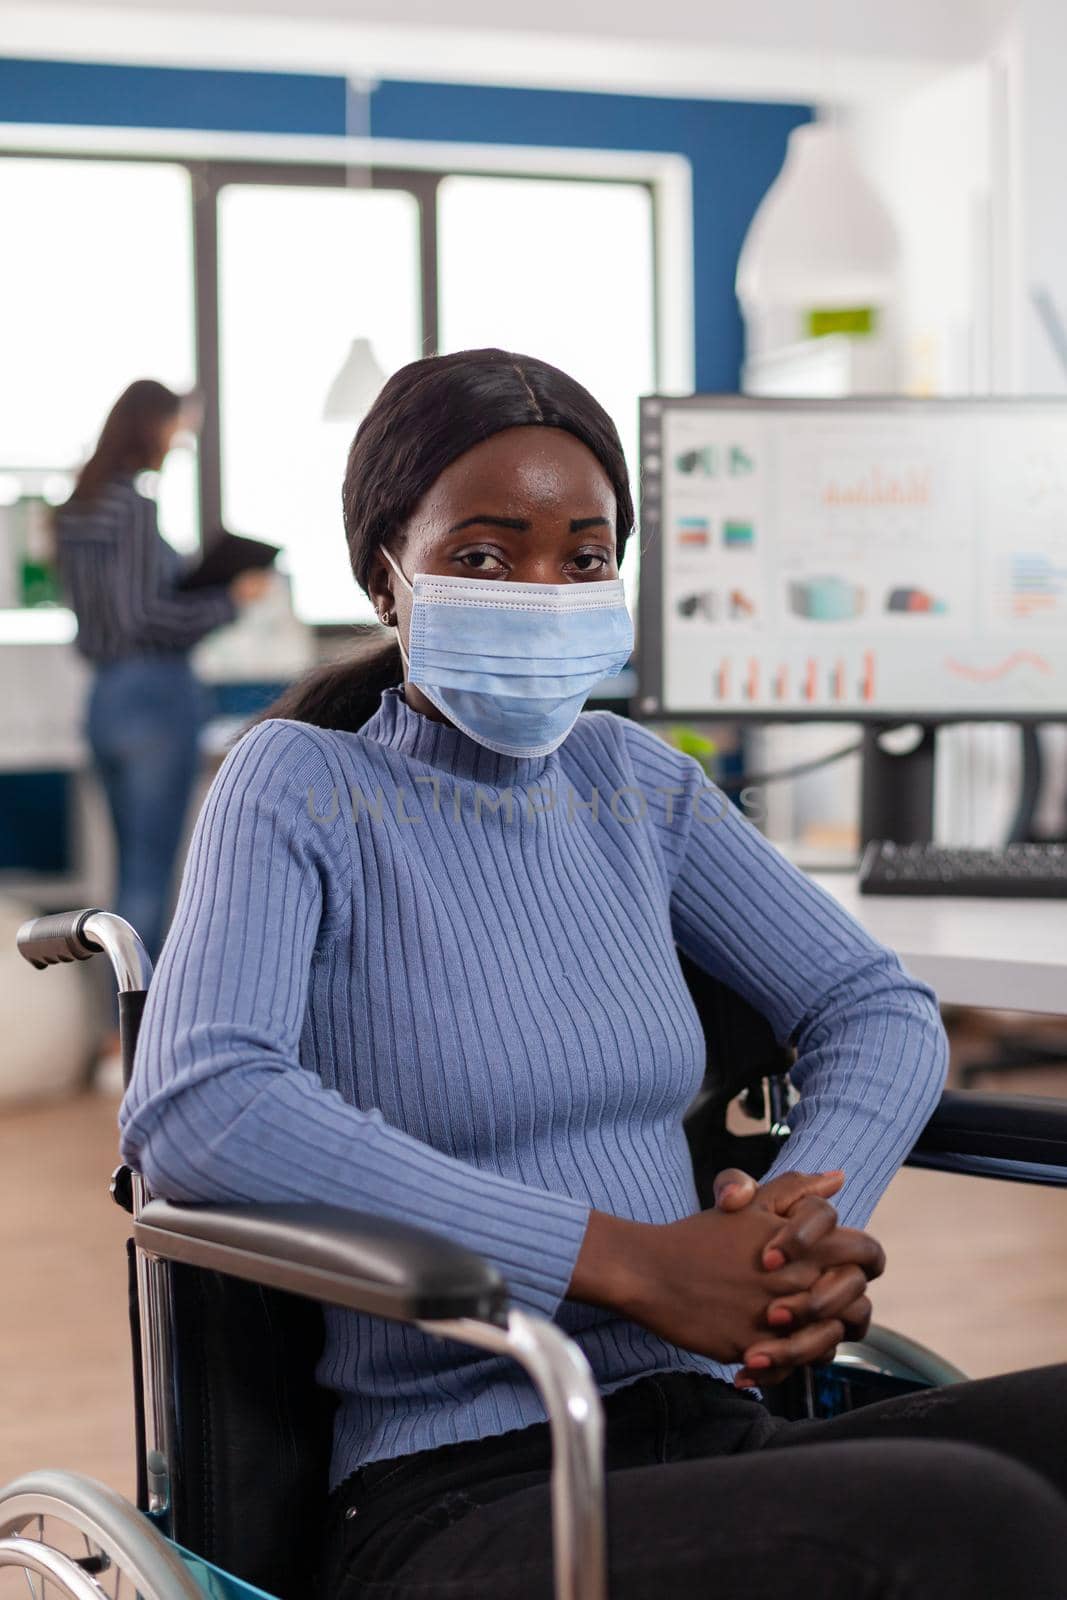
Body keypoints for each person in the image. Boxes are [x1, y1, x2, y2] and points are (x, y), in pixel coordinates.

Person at [119, 350, 1067, 1599]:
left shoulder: (638, 782)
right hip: (464, 1483)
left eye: (584, 556)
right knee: (963, 1524)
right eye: (484, 555)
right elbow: (200, 1104)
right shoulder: (300, 784)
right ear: (384, 576)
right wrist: (630, 1264)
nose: (543, 589)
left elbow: (873, 1007)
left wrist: (787, 1236)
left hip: (709, 1425)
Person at [53, 379, 270, 1079]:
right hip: (155, 693)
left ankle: (121, 1039)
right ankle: (139, 1046)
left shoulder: (74, 513)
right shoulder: (131, 509)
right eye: (177, 427)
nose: (180, 440)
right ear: (151, 426)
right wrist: (228, 602)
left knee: (126, 872)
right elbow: (146, 618)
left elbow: (114, 613)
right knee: (150, 877)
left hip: (105, 699)